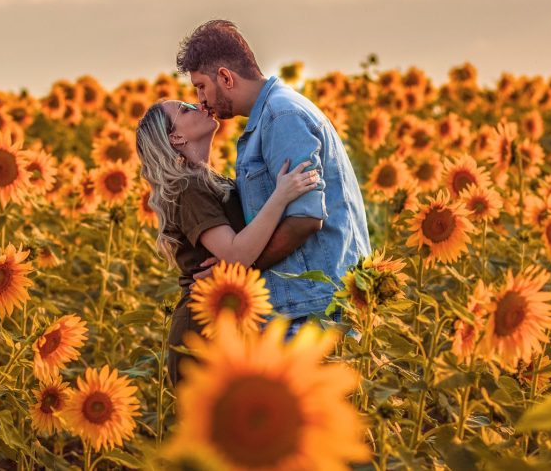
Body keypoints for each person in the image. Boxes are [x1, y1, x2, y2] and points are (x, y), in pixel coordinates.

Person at [177, 20, 373, 339]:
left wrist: (238, 271)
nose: (200, 100)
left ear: (225, 77)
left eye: (201, 86)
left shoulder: (282, 117)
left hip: (313, 312)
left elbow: (305, 218)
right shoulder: (272, 116)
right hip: (305, 307)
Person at [135, 99, 320, 386]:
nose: (197, 104)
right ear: (176, 138)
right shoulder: (188, 187)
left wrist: (229, 264)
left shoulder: (210, 180)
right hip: (202, 331)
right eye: (185, 110)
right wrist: (281, 195)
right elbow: (236, 252)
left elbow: (238, 253)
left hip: (226, 320)